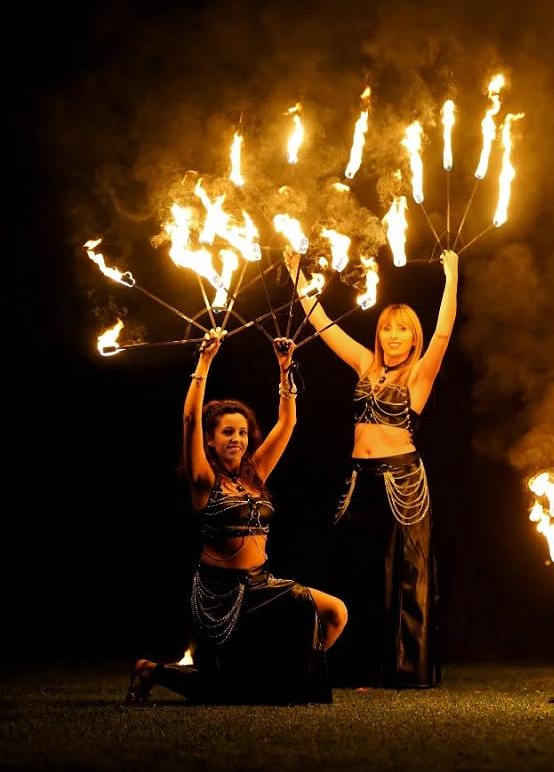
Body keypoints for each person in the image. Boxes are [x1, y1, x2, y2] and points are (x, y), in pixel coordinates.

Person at [125, 329, 346, 703]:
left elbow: (287, 424)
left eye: (242, 432)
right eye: (228, 432)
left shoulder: (254, 473)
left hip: (263, 586)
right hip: (220, 594)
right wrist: (205, 361)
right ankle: (151, 670)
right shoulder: (203, 480)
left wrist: (284, 368)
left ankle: (289, 676)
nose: (237, 439)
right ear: (211, 438)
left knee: (335, 612)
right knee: (223, 691)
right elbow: (190, 419)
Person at [287, 250, 457, 688]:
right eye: (387, 328)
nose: (394, 335)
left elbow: (443, 334)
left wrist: (451, 276)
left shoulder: (418, 375)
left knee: (403, 578)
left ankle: (404, 672)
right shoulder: (366, 363)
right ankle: (353, 669)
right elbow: (324, 326)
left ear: (412, 336)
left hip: (402, 482)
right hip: (358, 480)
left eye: (402, 329)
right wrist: (297, 275)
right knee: (355, 574)